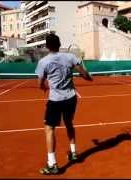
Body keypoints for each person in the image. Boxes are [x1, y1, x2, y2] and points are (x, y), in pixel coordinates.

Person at [35, 33, 92, 175]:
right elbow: (85, 75)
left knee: (49, 129)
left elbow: (40, 84)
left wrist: (44, 87)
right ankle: (73, 153)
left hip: (55, 101)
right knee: (69, 123)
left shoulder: (43, 62)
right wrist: (89, 77)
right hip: (71, 98)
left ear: (47, 46)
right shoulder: (71, 57)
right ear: (59, 44)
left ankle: (52, 164)